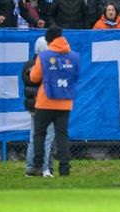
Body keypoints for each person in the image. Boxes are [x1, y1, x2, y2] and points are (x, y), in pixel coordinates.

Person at [26, 27, 80, 177]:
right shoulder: (74, 56)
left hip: (46, 102)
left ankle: (37, 166)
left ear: (49, 40)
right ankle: (64, 169)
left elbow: (34, 78)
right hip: (65, 101)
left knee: (39, 134)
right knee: (62, 135)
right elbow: (75, 76)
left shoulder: (44, 56)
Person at [21, 36, 54, 177]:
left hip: (34, 107)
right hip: (45, 105)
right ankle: (44, 168)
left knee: (34, 138)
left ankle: (31, 168)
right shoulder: (45, 65)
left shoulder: (28, 64)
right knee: (47, 138)